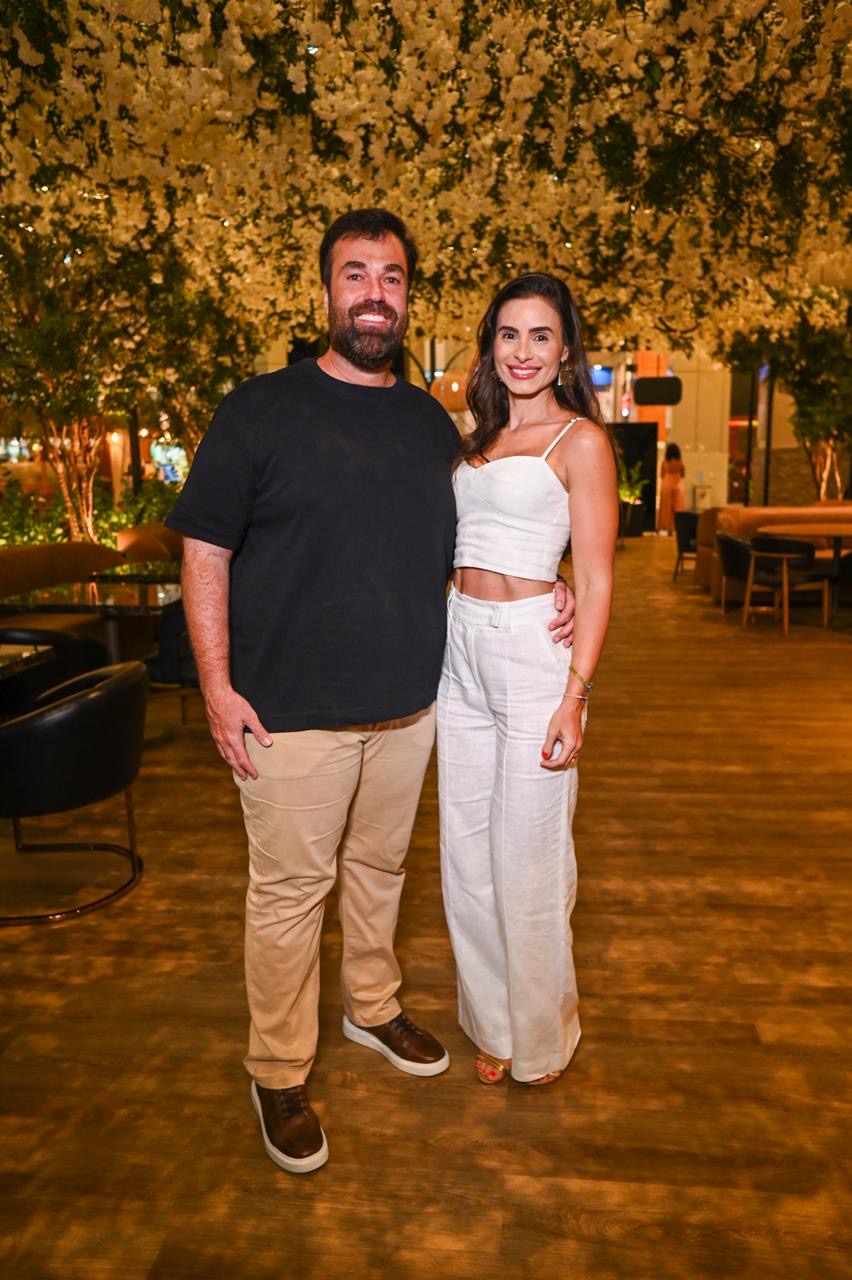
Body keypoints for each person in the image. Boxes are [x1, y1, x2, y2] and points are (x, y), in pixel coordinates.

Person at [165, 211, 576, 1174]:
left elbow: (475, 538)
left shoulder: (431, 425)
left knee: (381, 870)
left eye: (391, 277)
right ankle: (277, 1070)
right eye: (356, 275)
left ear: (406, 298)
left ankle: (372, 1005)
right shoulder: (258, 409)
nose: (374, 294)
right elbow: (205, 552)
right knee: (290, 895)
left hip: (411, 705)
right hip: (287, 714)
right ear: (326, 292)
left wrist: (549, 579)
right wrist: (216, 686)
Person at [438, 273, 618, 1087]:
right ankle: (497, 1023)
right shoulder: (474, 442)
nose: (522, 351)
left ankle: (544, 1037)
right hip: (459, 646)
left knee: (530, 854)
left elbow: (599, 576)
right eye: (508, 334)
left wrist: (576, 693)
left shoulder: (579, 441)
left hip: (531, 654)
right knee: (465, 851)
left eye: (540, 335)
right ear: (490, 347)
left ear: (565, 349)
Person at [658, 442, 686, 534]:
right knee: (678, 508)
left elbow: (662, 475)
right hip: (678, 485)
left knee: (666, 508)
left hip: (666, 485)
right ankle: (676, 528)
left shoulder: (665, 463)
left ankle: (666, 528)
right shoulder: (680, 463)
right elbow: (683, 475)